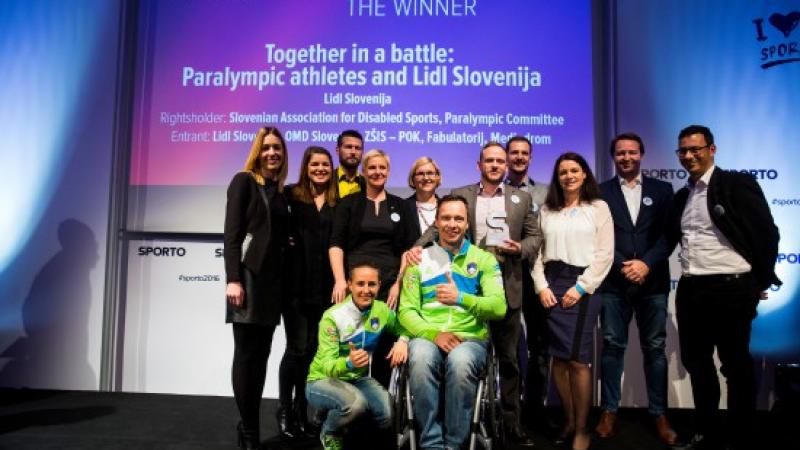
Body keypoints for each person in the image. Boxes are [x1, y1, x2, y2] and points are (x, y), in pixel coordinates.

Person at [408, 141, 541, 446]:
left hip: (504, 286)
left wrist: (519, 248)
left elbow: (535, 236)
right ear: (479, 164)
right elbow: (436, 230)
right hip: (463, 283)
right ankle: (447, 428)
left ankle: (511, 425)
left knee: (508, 361)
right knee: (459, 360)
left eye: (500, 161)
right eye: (489, 160)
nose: (495, 165)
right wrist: (413, 251)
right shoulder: (462, 194)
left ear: (506, 165)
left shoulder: (521, 198)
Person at [667, 125, 780, 450]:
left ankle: (741, 436)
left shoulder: (736, 184)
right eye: (683, 151)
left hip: (731, 288)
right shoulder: (683, 195)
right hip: (691, 290)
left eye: (695, 149)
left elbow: (767, 233)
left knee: (735, 366)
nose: (689, 156)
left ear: (711, 149)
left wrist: (758, 280)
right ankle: (708, 433)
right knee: (698, 365)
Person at [399, 194, 508, 449]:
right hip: (428, 336)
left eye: (459, 218)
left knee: (460, 363)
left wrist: (461, 298)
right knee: (422, 358)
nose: (452, 224)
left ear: (468, 223)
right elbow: (406, 311)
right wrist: (433, 334)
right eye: (446, 217)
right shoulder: (420, 260)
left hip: (469, 338)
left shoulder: (484, 260)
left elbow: (499, 307)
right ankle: (432, 444)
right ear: (436, 222)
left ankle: (454, 445)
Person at [595, 133, 677, 445]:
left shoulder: (663, 190)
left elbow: (669, 236)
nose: (626, 158)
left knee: (654, 348)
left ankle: (658, 413)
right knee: (613, 346)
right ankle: (609, 411)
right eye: (620, 153)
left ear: (642, 154)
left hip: (653, 281)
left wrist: (645, 264)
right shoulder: (600, 193)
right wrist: (622, 265)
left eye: (631, 152)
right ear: (613, 157)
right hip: (614, 283)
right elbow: (598, 238)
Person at [532, 152, 613, 450]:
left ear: (585, 174)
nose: (568, 176)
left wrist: (581, 288)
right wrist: (541, 286)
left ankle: (582, 428)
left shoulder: (598, 207)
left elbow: (605, 254)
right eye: (563, 171)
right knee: (558, 358)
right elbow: (537, 255)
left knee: (578, 360)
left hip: (583, 285)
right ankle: (568, 419)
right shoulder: (547, 210)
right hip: (552, 284)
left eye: (574, 170)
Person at [223, 126, 291, 449]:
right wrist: (233, 279)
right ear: (257, 151)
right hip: (247, 279)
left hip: (272, 284)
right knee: (246, 355)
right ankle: (249, 429)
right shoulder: (243, 181)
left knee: (262, 356)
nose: (272, 153)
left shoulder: (280, 191)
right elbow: (232, 234)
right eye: (266, 148)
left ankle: (248, 422)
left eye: (277, 148)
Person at [329, 149, 416, 386]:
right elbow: (336, 245)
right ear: (364, 171)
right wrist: (340, 281)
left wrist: (399, 284)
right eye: (372, 168)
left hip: (389, 285)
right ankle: (347, 403)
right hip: (356, 284)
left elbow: (410, 250)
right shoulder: (348, 204)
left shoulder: (402, 206)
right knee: (350, 344)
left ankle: (381, 405)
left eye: (382, 168)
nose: (378, 172)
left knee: (384, 344)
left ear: (388, 171)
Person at [306, 264, 409, 450]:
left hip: (359, 379)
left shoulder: (382, 310)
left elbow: (405, 327)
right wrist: (349, 362)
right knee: (356, 405)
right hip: (322, 379)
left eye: (372, 284)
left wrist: (403, 341)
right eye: (360, 284)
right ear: (350, 285)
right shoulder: (332, 316)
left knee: (388, 414)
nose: (366, 290)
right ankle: (329, 430)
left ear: (379, 286)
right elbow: (328, 366)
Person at [277, 146, 339, 439]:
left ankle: (303, 408)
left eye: (326, 164)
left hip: (326, 289)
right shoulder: (290, 195)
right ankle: (285, 409)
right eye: (315, 164)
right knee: (296, 349)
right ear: (306, 166)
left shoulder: (339, 202)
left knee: (314, 353)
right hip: (295, 287)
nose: (321, 169)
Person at [502, 135, 550, 427]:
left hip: (537, 277)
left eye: (524, 153)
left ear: (531, 157)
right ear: (507, 157)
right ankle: (510, 413)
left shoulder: (545, 192)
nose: (519, 157)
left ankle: (536, 410)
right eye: (514, 153)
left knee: (540, 348)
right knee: (508, 349)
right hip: (504, 277)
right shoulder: (494, 190)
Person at [406, 156, 442, 242]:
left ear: (437, 177)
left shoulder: (446, 207)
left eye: (430, 173)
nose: (426, 178)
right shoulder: (403, 207)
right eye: (420, 174)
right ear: (413, 178)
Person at [335, 130, 365, 197]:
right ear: (337, 150)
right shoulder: (327, 180)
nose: (353, 152)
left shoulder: (367, 184)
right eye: (348, 147)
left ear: (362, 153)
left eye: (357, 148)